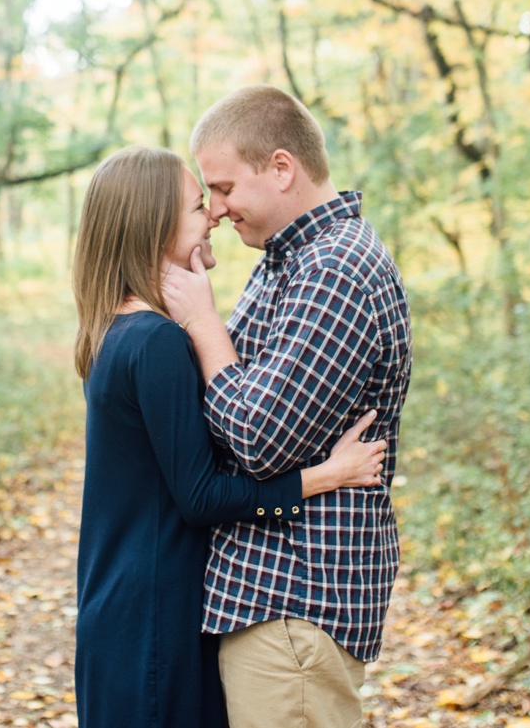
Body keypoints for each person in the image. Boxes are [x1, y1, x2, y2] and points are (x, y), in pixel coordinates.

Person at [71, 145, 388, 728]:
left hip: (118, 604)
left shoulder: (113, 332)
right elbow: (200, 497)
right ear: (154, 228)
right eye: (198, 206)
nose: (213, 214)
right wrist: (326, 475)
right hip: (155, 612)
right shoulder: (159, 341)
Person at [162, 85, 413, 728]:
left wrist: (204, 324)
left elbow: (257, 436)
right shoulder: (287, 261)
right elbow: (225, 408)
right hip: (271, 595)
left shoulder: (334, 267)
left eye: (221, 188)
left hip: (296, 594)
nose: (214, 210)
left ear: (281, 168)